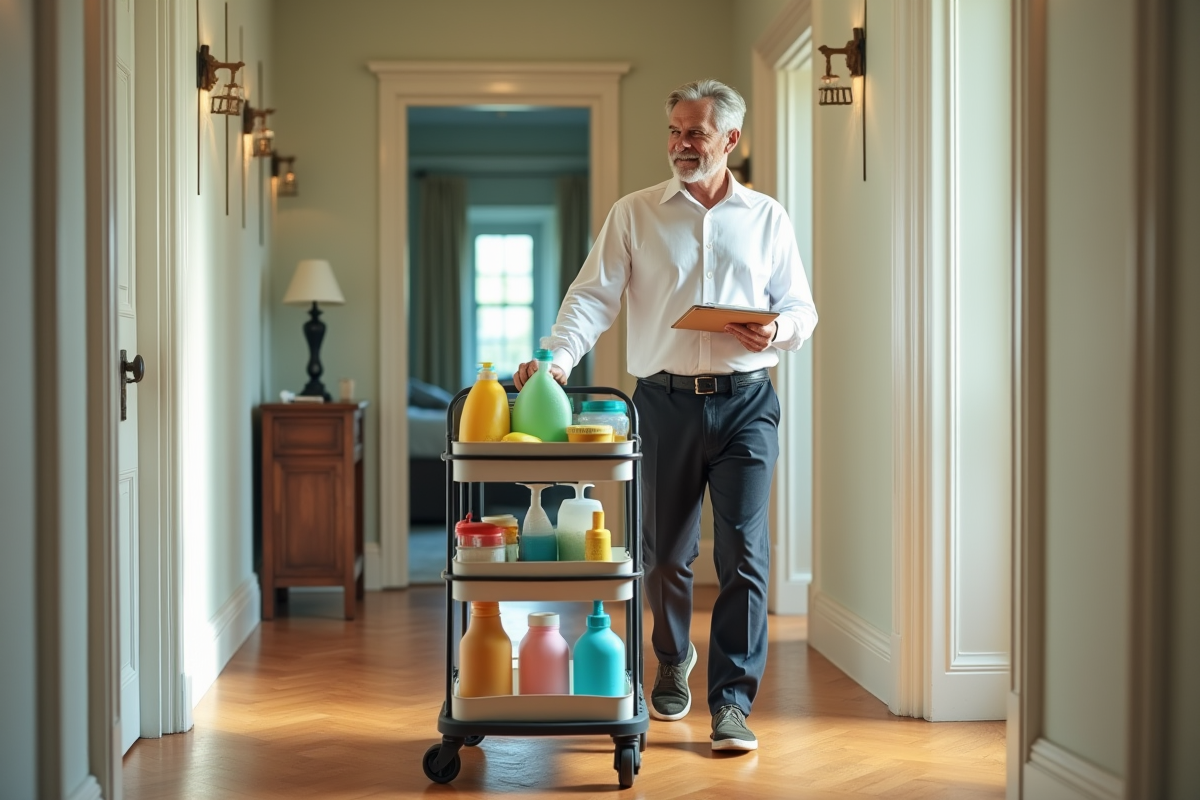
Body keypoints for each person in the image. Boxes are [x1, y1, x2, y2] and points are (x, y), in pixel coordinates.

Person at [514, 79, 817, 752]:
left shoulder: (768, 217)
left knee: (744, 554)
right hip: (663, 403)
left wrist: (776, 333)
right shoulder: (635, 213)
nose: (681, 144)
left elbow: (802, 309)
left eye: (696, 134)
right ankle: (673, 657)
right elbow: (592, 298)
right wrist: (557, 360)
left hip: (746, 403)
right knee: (665, 555)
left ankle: (732, 703)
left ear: (730, 140)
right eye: (675, 131)